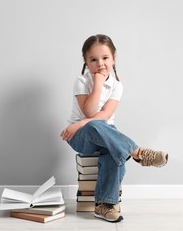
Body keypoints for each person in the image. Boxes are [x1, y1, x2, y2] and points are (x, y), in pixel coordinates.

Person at [60, 34, 168, 223]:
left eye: (105, 58)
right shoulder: (82, 81)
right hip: (79, 136)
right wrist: (98, 84)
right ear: (86, 62)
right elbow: (90, 111)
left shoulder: (117, 86)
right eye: (93, 60)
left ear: (114, 58)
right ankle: (138, 152)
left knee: (113, 154)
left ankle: (104, 205)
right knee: (95, 125)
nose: (100, 63)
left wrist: (82, 122)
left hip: (101, 131)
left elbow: (105, 115)